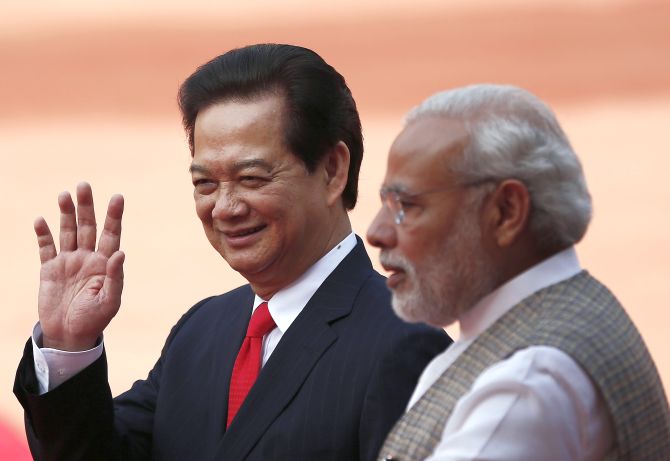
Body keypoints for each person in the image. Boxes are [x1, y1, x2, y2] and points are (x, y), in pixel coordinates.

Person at [13, 44, 450, 461]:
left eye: (252, 178)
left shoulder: (404, 345)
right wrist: (68, 345)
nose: (224, 207)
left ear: (333, 171)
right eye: (205, 184)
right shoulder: (201, 332)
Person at [367, 84, 670, 460]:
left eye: (407, 206)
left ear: (506, 212)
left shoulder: (528, 382)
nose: (376, 232)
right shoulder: (561, 319)